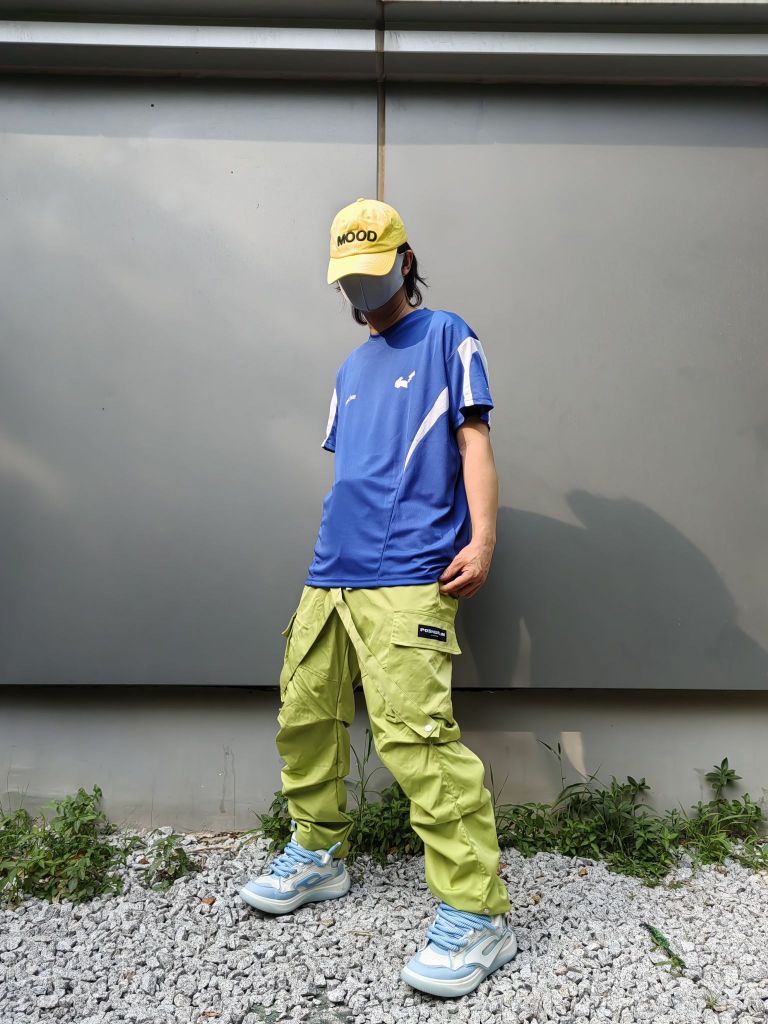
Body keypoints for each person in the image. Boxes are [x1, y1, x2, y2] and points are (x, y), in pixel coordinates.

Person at [239, 197, 517, 998]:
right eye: (348, 277)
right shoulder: (349, 370)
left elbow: (473, 441)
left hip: (408, 573)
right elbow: (356, 474)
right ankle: (319, 852)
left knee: (417, 741)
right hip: (332, 569)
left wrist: (482, 541)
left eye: (373, 270)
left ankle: (478, 915)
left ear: (405, 261)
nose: (361, 288)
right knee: (305, 717)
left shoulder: (446, 335)